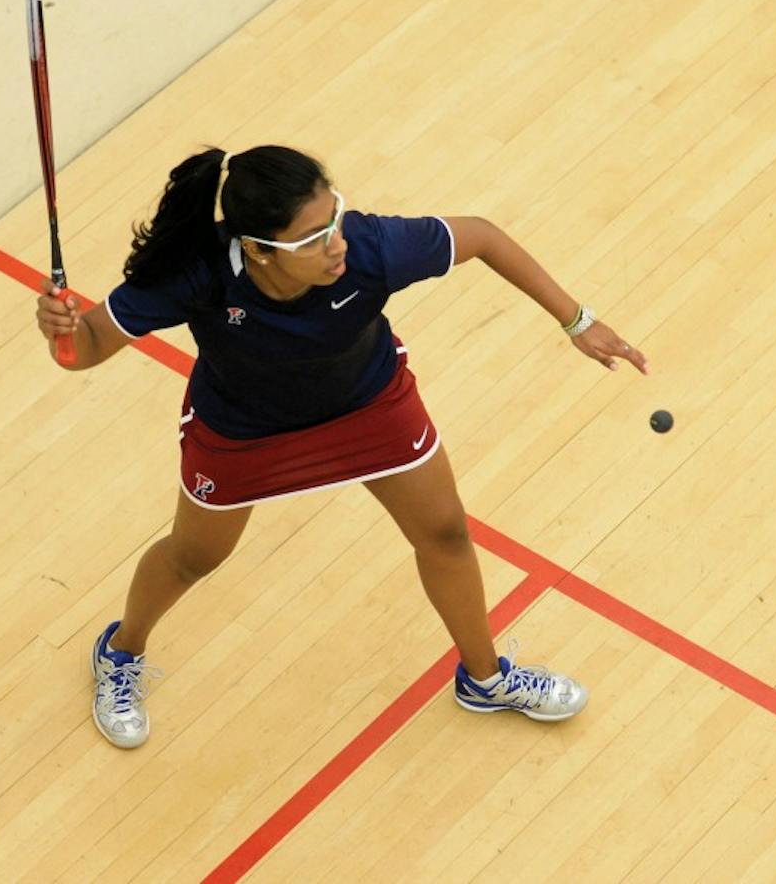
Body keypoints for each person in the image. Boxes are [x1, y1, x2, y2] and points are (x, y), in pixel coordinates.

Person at [34, 146, 648, 749]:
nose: (336, 245)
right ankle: (120, 652)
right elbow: (86, 350)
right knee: (193, 558)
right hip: (244, 432)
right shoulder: (198, 274)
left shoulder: (370, 248)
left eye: (334, 218)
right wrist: (65, 330)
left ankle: (484, 679)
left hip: (368, 406)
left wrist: (578, 320)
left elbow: (483, 237)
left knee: (444, 533)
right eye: (311, 238)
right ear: (257, 249)